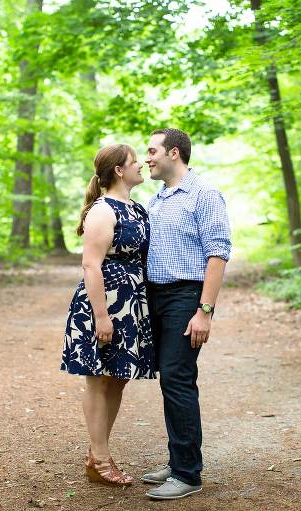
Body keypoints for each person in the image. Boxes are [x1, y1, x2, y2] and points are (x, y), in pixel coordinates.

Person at [141, 128, 231, 500]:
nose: (146, 158)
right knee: (169, 378)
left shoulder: (204, 194)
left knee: (177, 378)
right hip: (156, 297)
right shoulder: (156, 199)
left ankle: (187, 474)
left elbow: (218, 252)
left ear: (173, 153)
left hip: (186, 296)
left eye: (151, 151)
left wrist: (204, 311)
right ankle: (179, 457)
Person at [60, 143, 155, 486]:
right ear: (119, 170)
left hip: (131, 303)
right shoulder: (103, 211)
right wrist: (102, 316)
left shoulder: (137, 208)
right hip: (104, 304)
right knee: (98, 378)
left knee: (117, 377)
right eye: (135, 162)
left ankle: (96, 454)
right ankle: (100, 459)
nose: (142, 166)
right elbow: (91, 264)